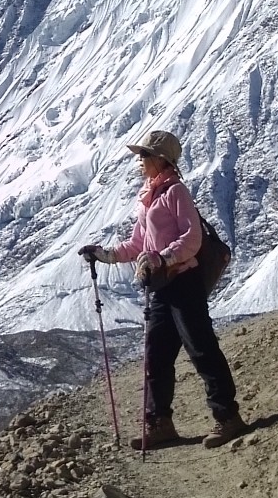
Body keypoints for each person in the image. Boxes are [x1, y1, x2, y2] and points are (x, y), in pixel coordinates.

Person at [79, 128, 245, 449]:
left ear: (160, 159)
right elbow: (138, 244)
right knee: (156, 354)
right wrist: (105, 255)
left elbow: (192, 239)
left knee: (200, 348)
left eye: (144, 156)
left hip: (183, 282)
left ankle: (228, 416)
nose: (139, 161)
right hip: (163, 286)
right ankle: (160, 423)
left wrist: (160, 258)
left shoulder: (176, 193)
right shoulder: (150, 196)